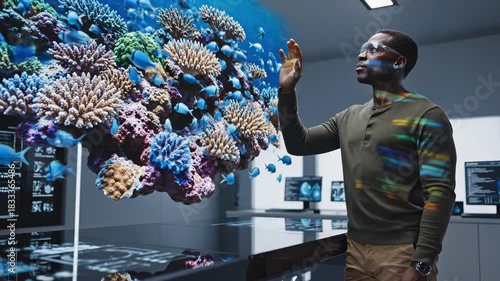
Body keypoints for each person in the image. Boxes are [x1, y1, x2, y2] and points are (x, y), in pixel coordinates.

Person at [277, 29, 457, 281]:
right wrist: (286, 91)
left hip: (403, 254)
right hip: (356, 250)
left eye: (373, 49)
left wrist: (422, 262)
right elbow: (300, 144)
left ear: (399, 61)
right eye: (362, 50)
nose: (361, 56)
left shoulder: (428, 116)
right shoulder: (349, 116)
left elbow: (440, 193)